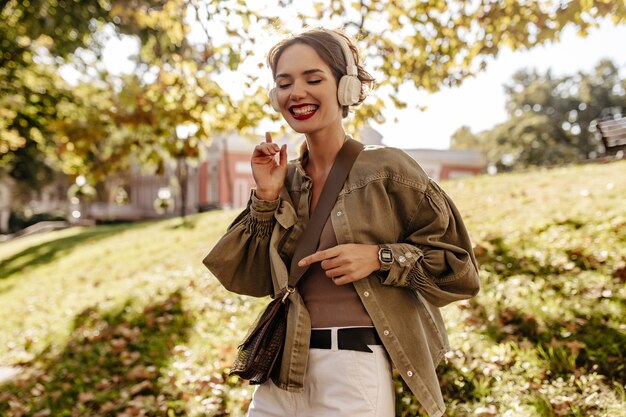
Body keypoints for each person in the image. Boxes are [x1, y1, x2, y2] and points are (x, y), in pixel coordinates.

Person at [203, 27, 480, 417]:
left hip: (353, 367)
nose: (296, 92)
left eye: (313, 79)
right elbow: (247, 276)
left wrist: (380, 257)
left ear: (346, 88)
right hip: (282, 370)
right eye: (284, 83)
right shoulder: (285, 178)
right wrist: (265, 196)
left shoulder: (389, 170)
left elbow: (460, 271)